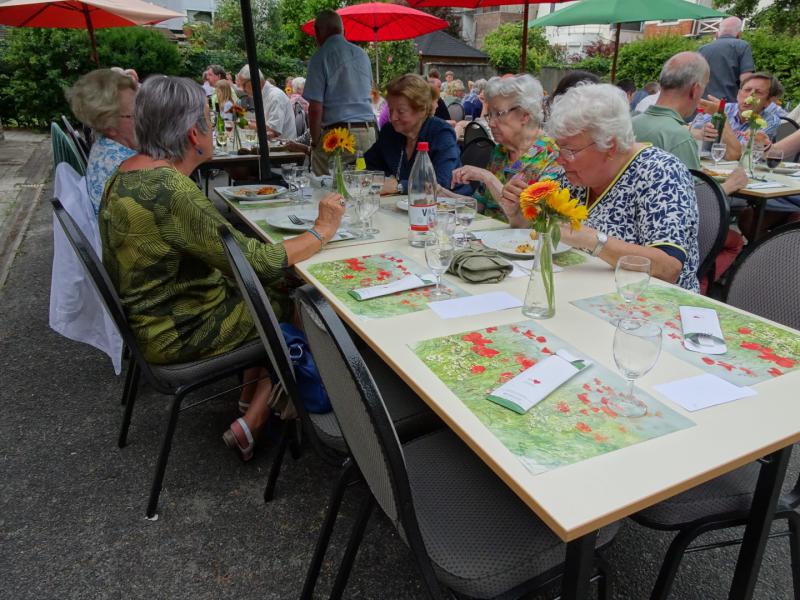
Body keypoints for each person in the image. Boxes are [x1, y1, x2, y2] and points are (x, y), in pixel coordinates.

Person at [98, 76, 345, 460]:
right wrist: (323, 229)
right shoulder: (169, 190)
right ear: (194, 133)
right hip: (177, 332)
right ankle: (259, 417)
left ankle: (250, 404)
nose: (213, 131)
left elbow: (223, 256)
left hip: (151, 319)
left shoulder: (126, 173)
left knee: (274, 290)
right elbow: (258, 263)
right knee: (298, 303)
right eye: (210, 124)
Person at [503, 83, 700, 291]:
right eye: (557, 148)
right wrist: (518, 216)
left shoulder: (661, 173)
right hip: (582, 292)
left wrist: (592, 239)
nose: (559, 159)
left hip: (650, 305)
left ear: (610, 146)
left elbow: (669, 267)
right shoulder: (572, 175)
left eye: (569, 150)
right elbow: (546, 236)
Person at [632, 51, 748, 194]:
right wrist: (730, 185)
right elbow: (694, 201)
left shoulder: (630, 124)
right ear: (695, 89)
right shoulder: (679, 137)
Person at [450, 74, 560, 221]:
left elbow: (539, 221)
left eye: (499, 114)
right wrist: (444, 196)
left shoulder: (552, 157)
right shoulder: (500, 152)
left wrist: (487, 177)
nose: (491, 123)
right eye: (490, 115)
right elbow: (480, 206)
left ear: (524, 116)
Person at [364, 74, 468, 195]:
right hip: (401, 206)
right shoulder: (390, 132)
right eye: (390, 110)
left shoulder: (441, 133)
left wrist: (399, 186)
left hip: (447, 208)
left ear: (422, 109)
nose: (393, 117)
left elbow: (440, 183)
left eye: (401, 111)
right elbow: (368, 165)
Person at [304, 9, 376, 175]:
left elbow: (315, 108)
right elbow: (372, 92)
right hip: (368, 132)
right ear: (342, 30)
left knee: (325, 187)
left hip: (338, 134)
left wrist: (315, 142)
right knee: (360, 187)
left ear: (318, 32)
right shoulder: (362, 54)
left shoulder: (320, 57)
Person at [65, 69, 138, 217]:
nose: (146, 117)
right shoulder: (129, 169)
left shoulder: (103, 147)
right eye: (136, 113)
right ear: (109, 126)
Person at [692, 72, 781, 158]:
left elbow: (737, 154)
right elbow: (686, 129)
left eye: (758, 92)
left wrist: (722, 116)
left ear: (768, 102)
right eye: (747, 90)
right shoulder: (727, 108)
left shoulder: (770, 121)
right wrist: (700, 133)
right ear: (738, 94)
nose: (750, 95)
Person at [698, 16, 755, 103]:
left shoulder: (702, 49)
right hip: (726, 106)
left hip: (702, 104)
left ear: (717, 34)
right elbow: (746, 79)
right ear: (739, 34)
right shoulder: (742, 46)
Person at [237, 64, 296, 139]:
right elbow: (266, 124)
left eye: (243, 85)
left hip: (283, 148)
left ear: (254, 81)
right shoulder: (263, 94)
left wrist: (246, 123)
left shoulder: (275, 97)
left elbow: (273, 131)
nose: (242, 89)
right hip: (274, 145)